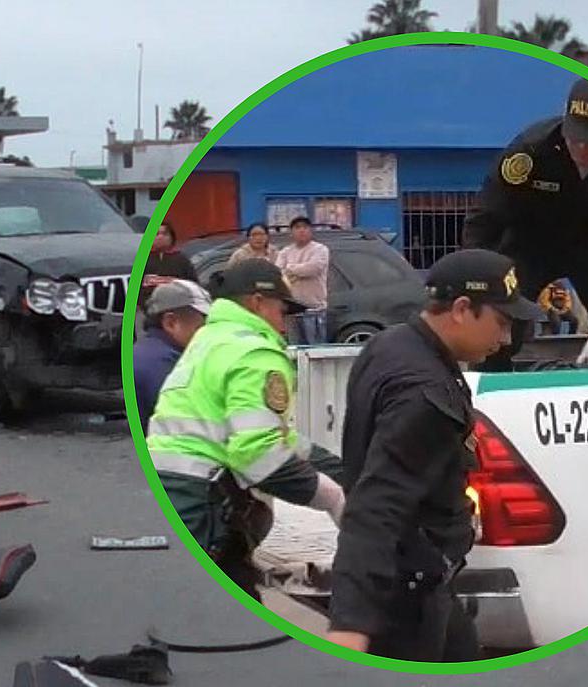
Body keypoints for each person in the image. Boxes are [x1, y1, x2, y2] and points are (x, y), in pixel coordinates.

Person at [324, 249, 542, 662]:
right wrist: (351, 625)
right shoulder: (425, 394)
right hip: (406, 600)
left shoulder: (391, 345)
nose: (506, 339)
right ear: (462, 309)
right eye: (502, 321)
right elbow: (376, 507)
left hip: (423, 582)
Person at [147, 259, 347, 600]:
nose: (284, 325)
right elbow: (257, 454)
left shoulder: (211, 339)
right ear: (257, 302)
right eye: (282, 311)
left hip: (170, 489)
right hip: (203, 503)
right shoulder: (256, 352)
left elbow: (264, 435)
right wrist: (333, 497)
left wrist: (335, 467)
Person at [462, 77, 588, 369]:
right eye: (575, 136)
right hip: (530, 240)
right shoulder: (529, 151)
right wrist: (477, 283)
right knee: (499, 318)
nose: (581, 147)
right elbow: (485, 220)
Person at [132, 279, 211, 429]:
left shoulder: (146, 352)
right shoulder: (164, 365)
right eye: (201, 327)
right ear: (170, 323)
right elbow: (189, 425)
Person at [275, 216, 331, 345]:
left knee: (314, 348)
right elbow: (278, 272)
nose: (301, 230)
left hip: (313, 309)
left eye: (305, 227)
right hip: (291, 310)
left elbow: (313, 268)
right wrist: (297, 271)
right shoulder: (285, 252)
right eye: (297, 227)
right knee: (295, 350)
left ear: (311, 230)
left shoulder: (320, 249)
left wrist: (290, 268)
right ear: (291, 232)